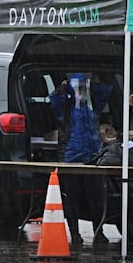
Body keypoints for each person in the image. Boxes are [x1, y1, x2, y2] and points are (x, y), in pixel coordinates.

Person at [50, 72, 112, 246]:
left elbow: (104, 93)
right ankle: (75, 233)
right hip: (72, 156)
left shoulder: (92, 104)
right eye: (80, 85)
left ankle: (98, 232)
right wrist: (64, 89)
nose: (82, 89)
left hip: (92, 154)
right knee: (72, 197)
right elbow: (55, 102)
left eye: (85, 85)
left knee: (97, 197)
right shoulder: (66, 104)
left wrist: (96, 81)